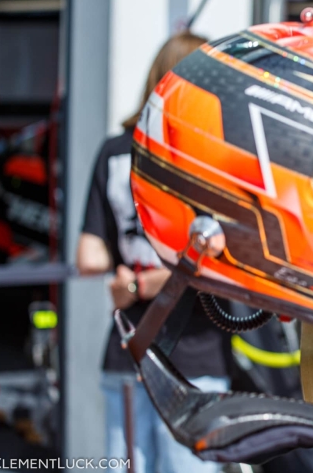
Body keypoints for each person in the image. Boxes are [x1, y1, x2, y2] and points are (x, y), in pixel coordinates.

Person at [77, 32, 231, 473]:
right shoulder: (207, 156)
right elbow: (217, 253)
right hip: (194, 350)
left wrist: (134, 281)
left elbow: (90, 256)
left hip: (129, 344)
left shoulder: (114, 152)